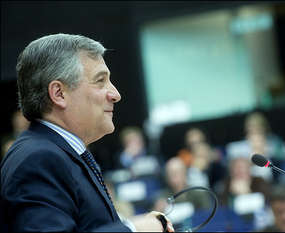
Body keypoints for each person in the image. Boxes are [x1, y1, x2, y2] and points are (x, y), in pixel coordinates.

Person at [0, 33, 174, 232]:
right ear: (59, 93)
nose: (116, 94)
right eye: (100, 81)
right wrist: (133, 230)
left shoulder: (60, 152)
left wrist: (132, 225)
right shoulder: (39, 159)